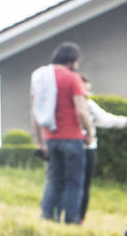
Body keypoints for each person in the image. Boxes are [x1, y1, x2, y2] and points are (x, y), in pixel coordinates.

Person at [31, 42, 93, 223]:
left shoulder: (41, 79)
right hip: (72, 137)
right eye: (77, 62)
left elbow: (34, 112)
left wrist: (40, 141)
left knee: (53, 180)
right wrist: (89, 132)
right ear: (71, 61)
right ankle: (71, 220)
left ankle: (47, 217)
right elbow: (81, 110)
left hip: (50, 137)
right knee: (74, 183)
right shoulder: (72, 78)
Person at [79, 74, 127, 221]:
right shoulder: (67, 104)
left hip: (88, 148)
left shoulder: (89, 104)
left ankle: (79, 219)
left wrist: (124, 122)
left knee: (85, 185)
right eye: (84, 89)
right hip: (74, 147)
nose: (87, 93)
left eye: (88, 90)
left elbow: (105, 119)